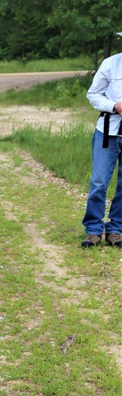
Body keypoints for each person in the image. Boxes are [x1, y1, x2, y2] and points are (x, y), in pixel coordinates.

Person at [82, 31, 122, 248]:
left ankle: (116, 229)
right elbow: (93, 94)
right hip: (108, 131)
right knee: (99, 182)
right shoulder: (110, 64)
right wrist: (114, 106)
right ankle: (94, 230)